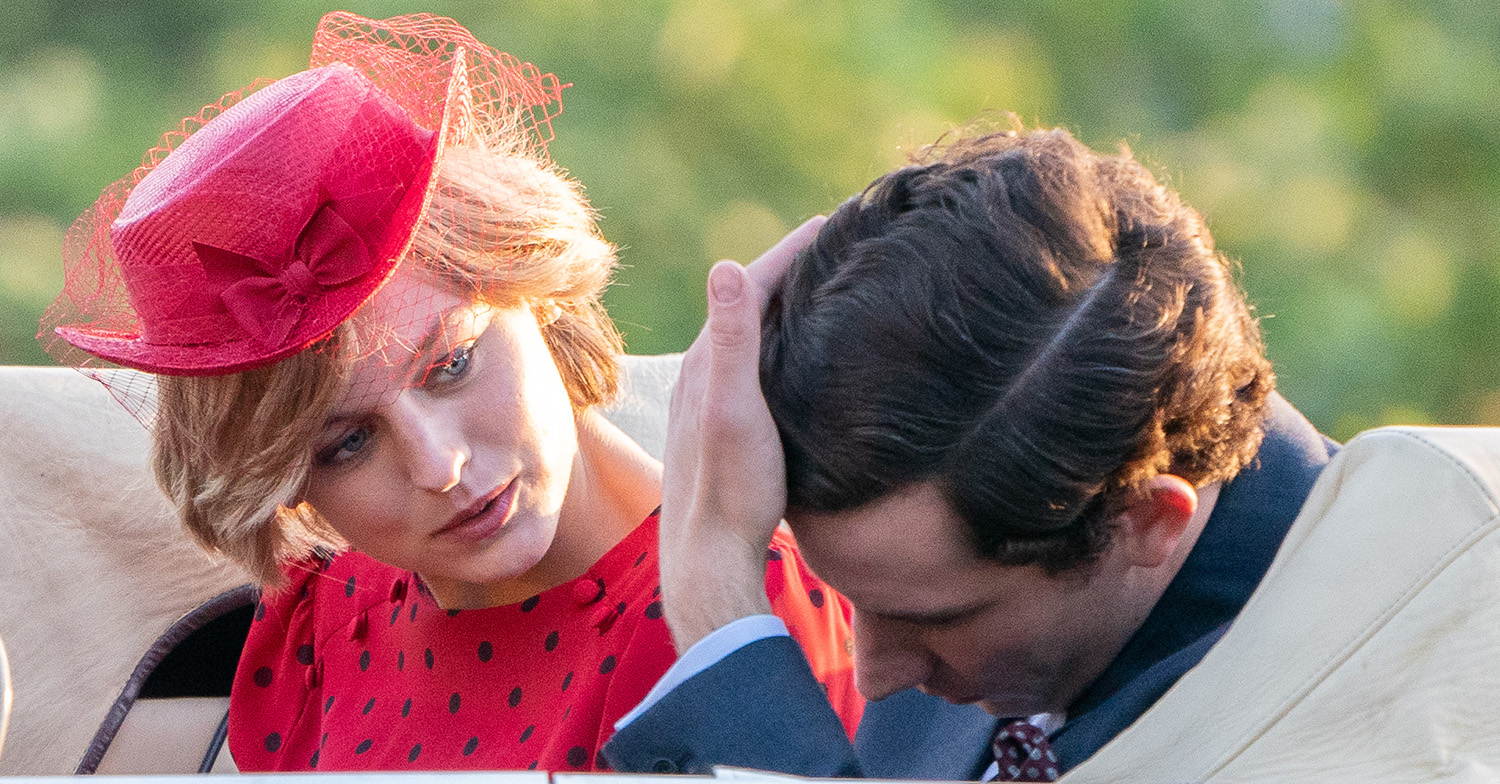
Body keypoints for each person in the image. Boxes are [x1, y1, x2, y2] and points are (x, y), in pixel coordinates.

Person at [40, 12, 859, 773]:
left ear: (533, 290)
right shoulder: (329, 614)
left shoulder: (730, 620)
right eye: (346, 444)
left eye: (452, 364)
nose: (438, 465)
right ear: (286, 485)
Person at [602, 125, 1342, 779]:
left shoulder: (1354, 688)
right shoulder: (977, 592)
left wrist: (719, 610)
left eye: (938, 619)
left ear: (1145, 520)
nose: (875, 675)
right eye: (859, 601)